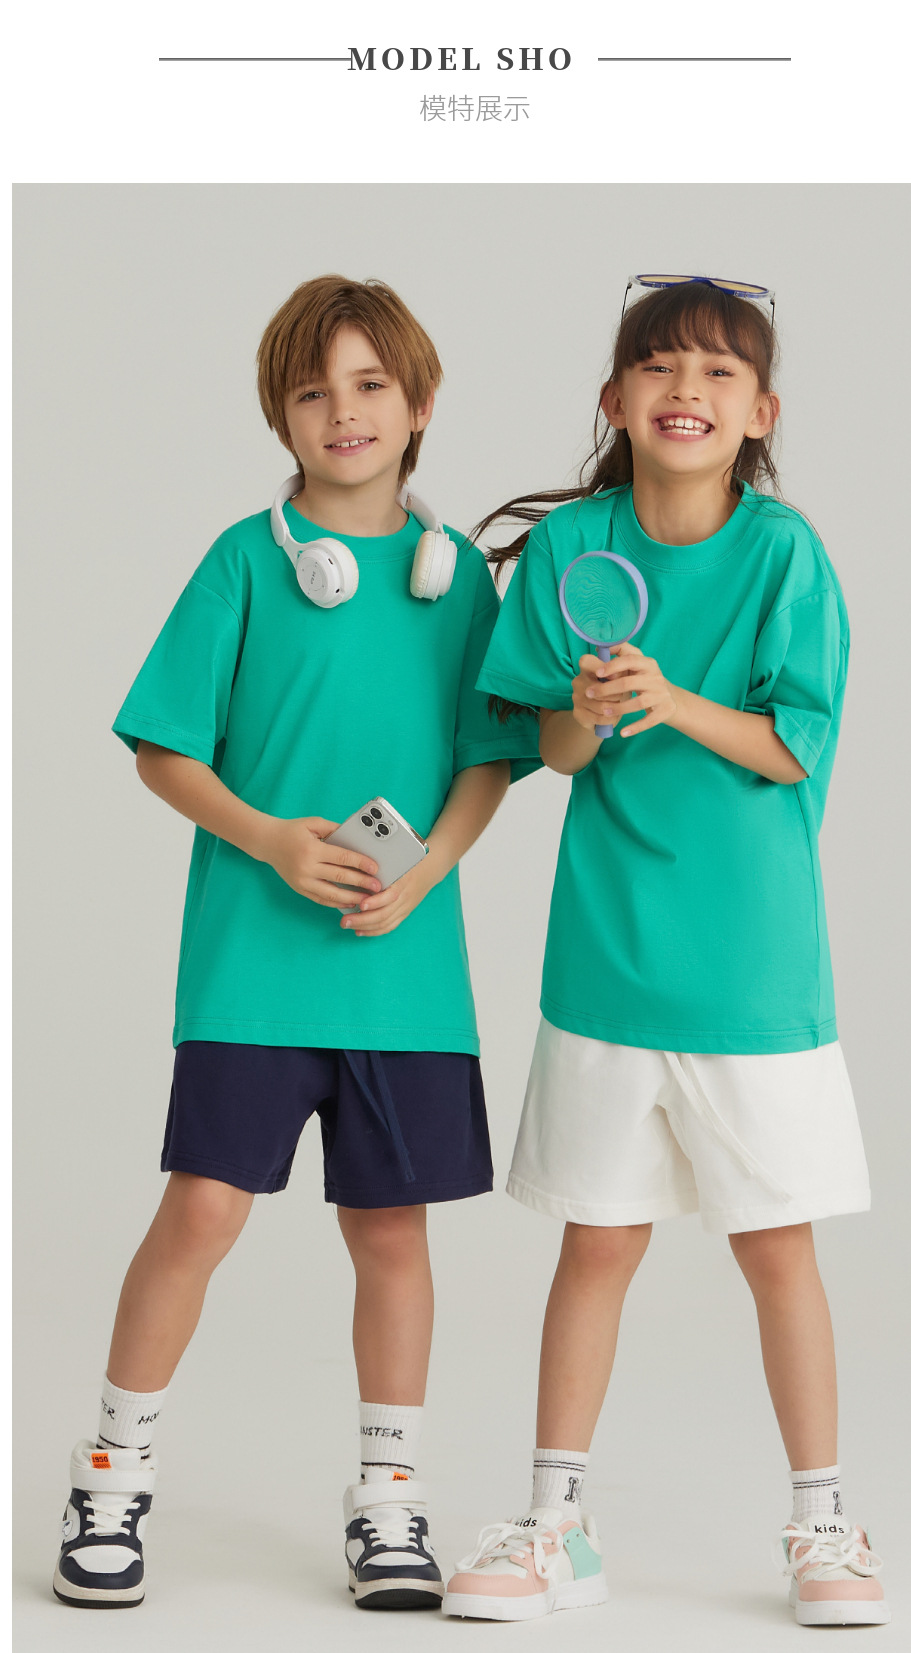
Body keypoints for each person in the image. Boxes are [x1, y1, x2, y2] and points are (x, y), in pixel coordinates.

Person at [53, 275, 540, 1612]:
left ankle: (390, 1500)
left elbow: (488, 762)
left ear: (419, 403)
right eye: (313, 390)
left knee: (391, 1231)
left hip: (405, 978)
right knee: (204, 1209)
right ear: (280, 413)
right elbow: (163, 747)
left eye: (370, 385)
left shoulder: (458, 584)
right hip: (252, 969)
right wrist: (270, 838)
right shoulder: (243, 561)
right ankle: (111, 1472)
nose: (343, 411)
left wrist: (429, 868)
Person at [442, 276, 889, 1629]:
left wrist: (670, 694)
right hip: (607, 967)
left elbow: (791, 745)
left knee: (775, 1249)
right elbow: (547, 749)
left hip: (754, 977)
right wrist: (585, 708)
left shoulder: (784, 555)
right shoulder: (574, 545)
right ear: (614, 400)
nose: (684, 388)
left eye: (716, 371)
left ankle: (824, 1524)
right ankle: (555, 1527)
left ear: (759, 414)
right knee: (596, 1243)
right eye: (658, 365)